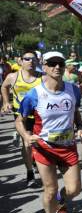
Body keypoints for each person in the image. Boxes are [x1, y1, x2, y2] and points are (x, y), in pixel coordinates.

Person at [16, 51, 82, 213]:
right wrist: (26, 136)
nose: (57, 67)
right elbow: (19, 120)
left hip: (68, 147)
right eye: (52, 63)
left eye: (60, 64)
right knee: (50, 189)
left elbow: (76, 111)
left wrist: (80, 127)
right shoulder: (34, 94)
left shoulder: (73, 90)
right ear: (44, 67)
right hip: (44, 148)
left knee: (74, 189)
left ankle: (61, 201)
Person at [1, 49, 42, 186]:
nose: (30, 61)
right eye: (27, 59)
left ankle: (35, 161)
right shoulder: (13, 77)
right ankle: (30, 173)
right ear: (20, 61)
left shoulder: (42, 77)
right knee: (27, 142)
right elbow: (4, 87)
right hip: (22, 115)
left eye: (33, 59)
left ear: (37, 61)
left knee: (39, 143)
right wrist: (6, 102)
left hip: (39, 115)